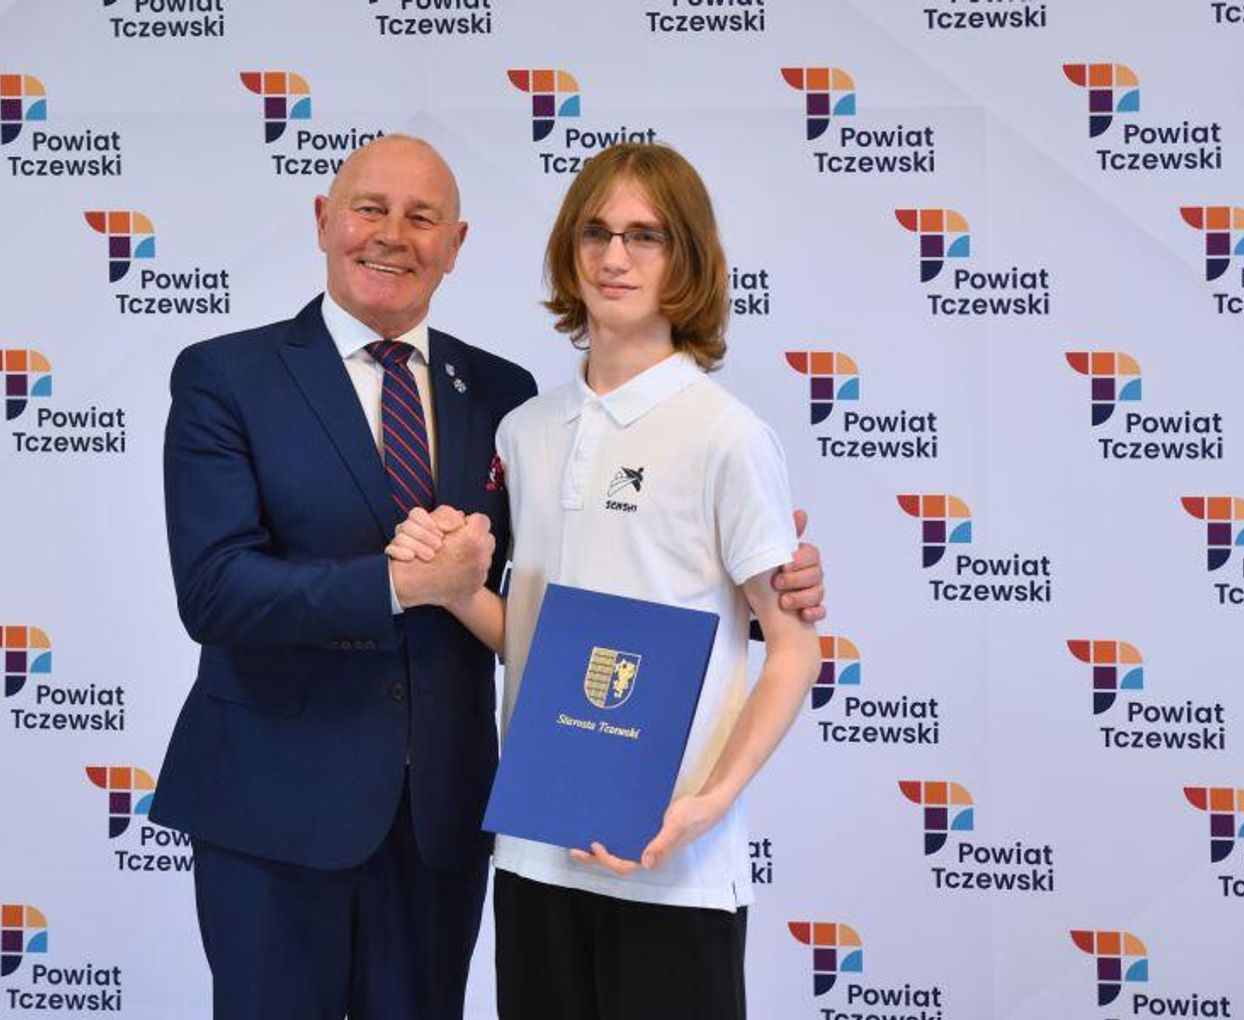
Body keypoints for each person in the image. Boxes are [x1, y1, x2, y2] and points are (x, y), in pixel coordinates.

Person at [150, 134, 824, 1020]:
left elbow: (574, 597)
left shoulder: (502, 397)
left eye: (422, 217)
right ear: (323, 220)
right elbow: (214, 591)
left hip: (453, 822)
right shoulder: (229, 376)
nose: (392, 235)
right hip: (277, 814)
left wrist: (770, 590)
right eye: (369, 209)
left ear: (455, 243)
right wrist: (407, 586)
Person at [388, 142, 820, 1020]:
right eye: (596, 233)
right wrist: (455, 590)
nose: (614, 257)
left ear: (686, 257)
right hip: (535, 850)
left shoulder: (727, 435)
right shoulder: (525, 429)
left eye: (644, 236)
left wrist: (708, 805)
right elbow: (531, 636)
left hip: (672, 861)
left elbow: (794, 649)